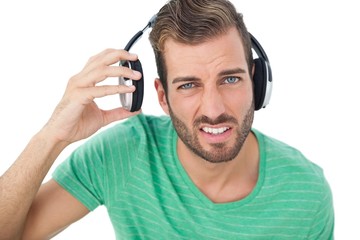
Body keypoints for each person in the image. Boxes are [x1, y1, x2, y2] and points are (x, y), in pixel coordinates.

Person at [0, 0, 334, 239]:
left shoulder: (306, 192)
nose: (214, 108)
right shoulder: (122, 153)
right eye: (189, 85)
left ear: (256, 82)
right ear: (162, 96)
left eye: (230, 79)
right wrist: (51, 135)